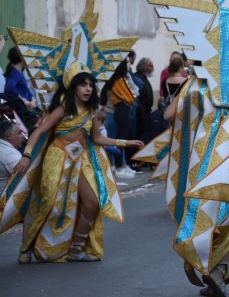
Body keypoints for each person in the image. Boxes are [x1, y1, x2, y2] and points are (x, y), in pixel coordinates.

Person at [9, 61, 143, 263]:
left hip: (80, 160)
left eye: (90, 85)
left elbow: (97, 139)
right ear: (73, 86)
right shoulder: (63, 107)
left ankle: (76, 249)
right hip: (57, 157)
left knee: (92, 203)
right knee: (46, 202)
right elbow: (40, 131)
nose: (88, 89)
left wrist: (125, 142)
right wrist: (27, 156)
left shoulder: (90, 112)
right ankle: (26, 247)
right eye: (83, 84)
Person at [100, 59, 137, 178]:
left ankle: (120, 165)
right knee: (115, 142)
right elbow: (132, 95)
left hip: (109, 113)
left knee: (116, 141)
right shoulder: (118, 81)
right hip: (113, 113)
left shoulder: (108, 79)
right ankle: (116, 167)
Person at [0, 118, 25, 193]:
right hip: (6, 201)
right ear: (9, 136)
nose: (22, 136)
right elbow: (25, 177)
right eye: (19, 133)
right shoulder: (10, 154)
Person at [134, 58, 154, 143]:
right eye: (150, 66)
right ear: (143, 66)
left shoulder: (143, 77)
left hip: (146, 114)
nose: (152, 68)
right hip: (140, 116)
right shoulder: (136, 78)